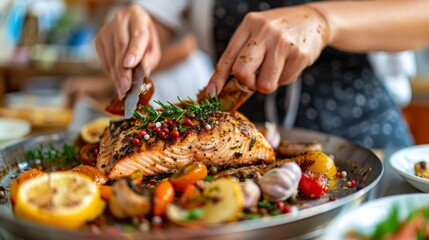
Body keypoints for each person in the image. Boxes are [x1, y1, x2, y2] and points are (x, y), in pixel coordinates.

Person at [93, 0, 429, 149]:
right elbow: (154, 17)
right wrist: (133, 28)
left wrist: (324, 21)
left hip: (369, 146)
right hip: (239, 159)